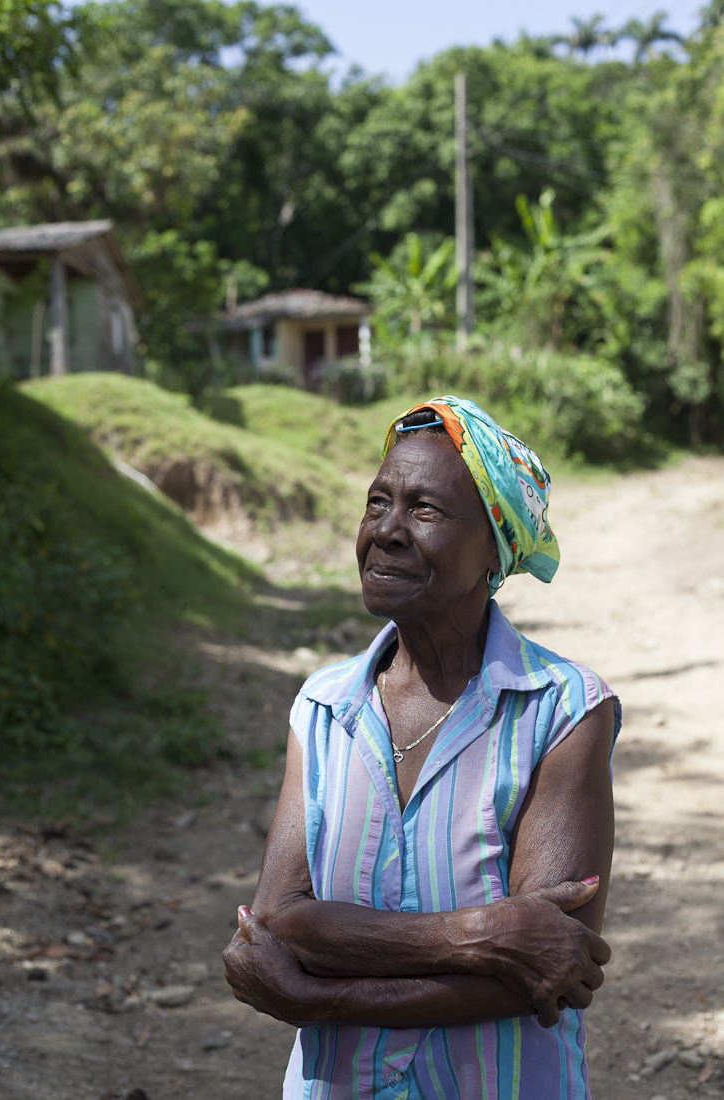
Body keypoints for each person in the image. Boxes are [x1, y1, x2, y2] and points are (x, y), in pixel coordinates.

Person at [223, 396, 621, 1100]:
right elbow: (281, 924)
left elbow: (550, 968)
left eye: (425, 511)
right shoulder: (322, 709)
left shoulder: (562, 709)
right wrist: (481, 932)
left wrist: (321, 999)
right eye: (378, 503)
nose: (388, 531)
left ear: (492, 549)